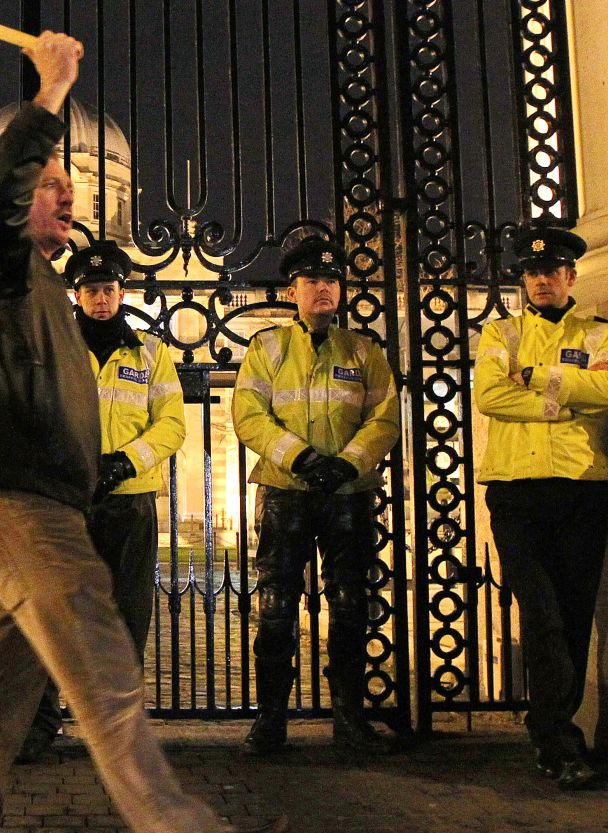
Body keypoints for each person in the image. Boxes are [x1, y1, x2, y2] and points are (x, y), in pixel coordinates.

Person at [0, 31, 286, 833]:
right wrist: (52, 92)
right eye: (53, 183)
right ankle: (177, 821)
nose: (71, 198)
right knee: (102, 655)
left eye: (78, 185)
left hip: (36, 493)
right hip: (18, 492)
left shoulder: (52, 290)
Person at [473, 225, 608, 790]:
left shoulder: (601, 333)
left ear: (570, 277)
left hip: (582, 486)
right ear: (523, 279)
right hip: (516, 489)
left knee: (574, 614)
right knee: (540, 614)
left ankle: (555, 729)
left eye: (553, 271)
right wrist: (565, 402)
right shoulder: (500, 333)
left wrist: (537, 377)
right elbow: (489, 395)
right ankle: (556, 738)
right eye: (533, 272)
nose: (542, 279)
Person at [16, 240, 186, 763]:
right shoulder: (51, 347)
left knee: (127, 621)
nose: (100, 299)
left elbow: (171, 423)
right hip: (68, 499)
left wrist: (126, 461)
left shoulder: (152, 353)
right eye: (91, 290)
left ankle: (117, 732)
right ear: (77, 294)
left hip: (130, 500)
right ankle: (40, 722)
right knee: (54, 613)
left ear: (121, 292)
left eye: (108, 289)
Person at [232, 238, 399, 757]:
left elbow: (386, 418)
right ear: (293, 291)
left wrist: (347, 462)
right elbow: (249, 413)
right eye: (310, 282)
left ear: (341, 291)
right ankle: (271, 719)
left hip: (348, 491)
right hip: (287, 489)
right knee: (276, 604)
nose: (321, 289)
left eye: (329, 281)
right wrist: (302, 459)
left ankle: (350, 719)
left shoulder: (365, 350)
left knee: (350, 602)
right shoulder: (268, 347)